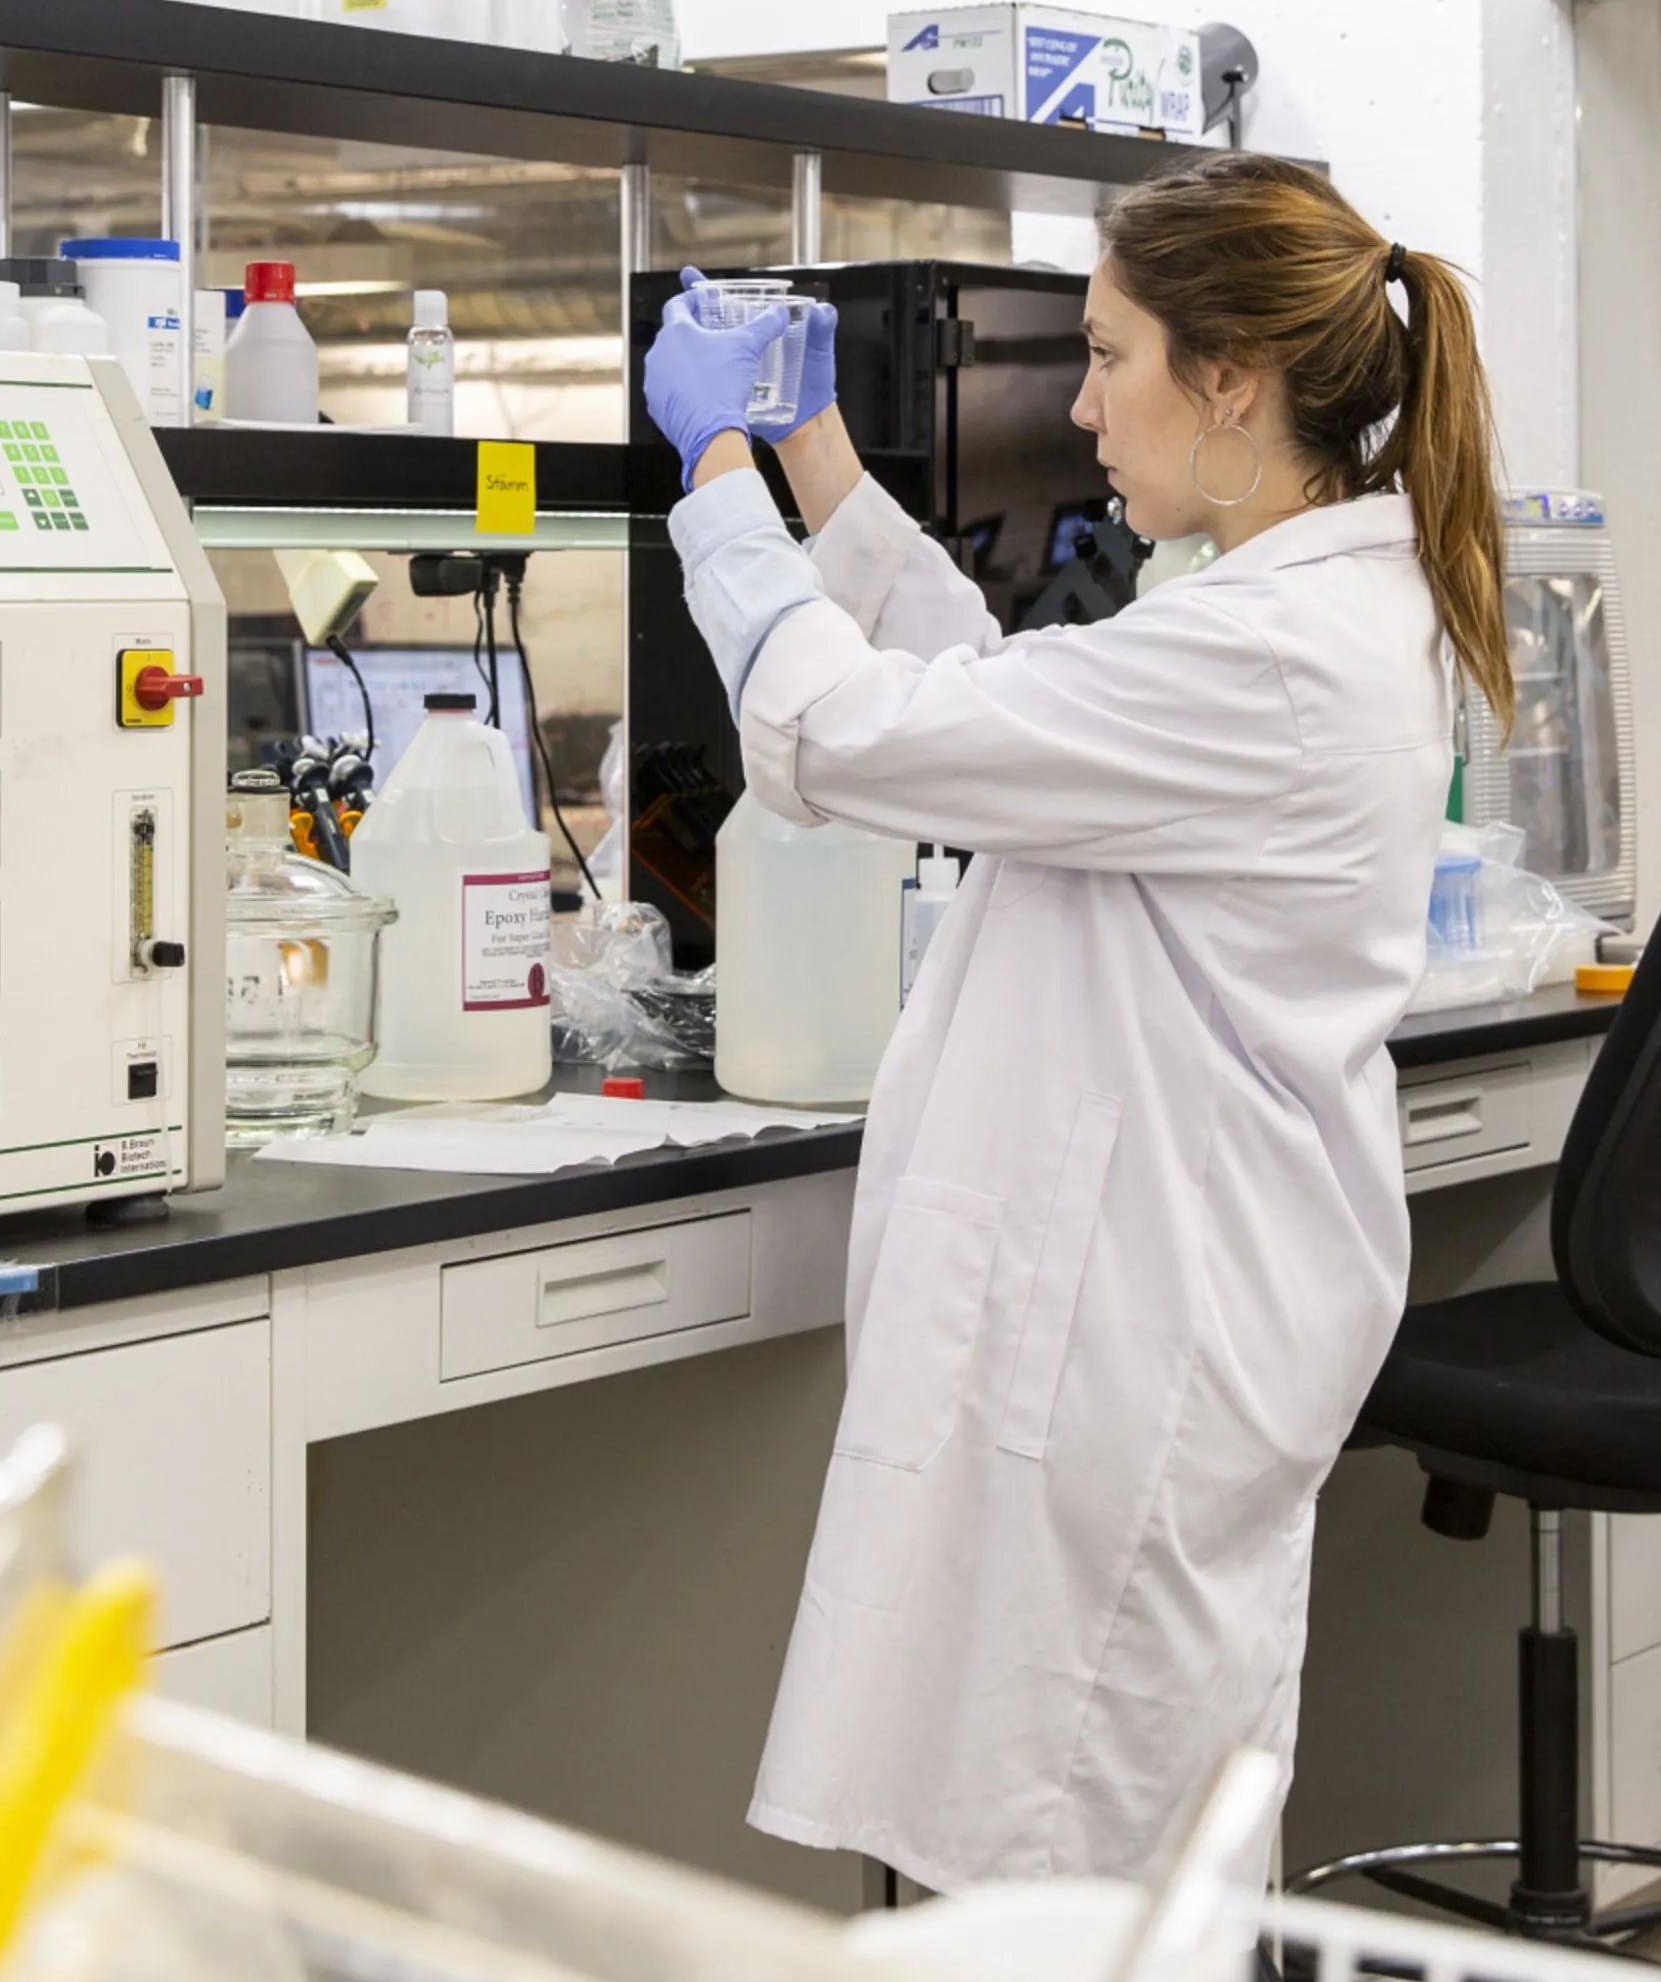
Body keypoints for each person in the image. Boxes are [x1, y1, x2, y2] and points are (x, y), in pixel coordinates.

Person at [641, 154, 1512, 1891]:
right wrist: (819, 458)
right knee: (1107, 1866)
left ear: (1232, 379)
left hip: (1143, 1329)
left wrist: (718, 475)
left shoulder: (1272, 648)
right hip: (1168, 1293)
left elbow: (853, 735)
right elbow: (1003, 707)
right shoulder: (1278, 608)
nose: (1083, 405)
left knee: (1098, 1889)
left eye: (1110, 358)